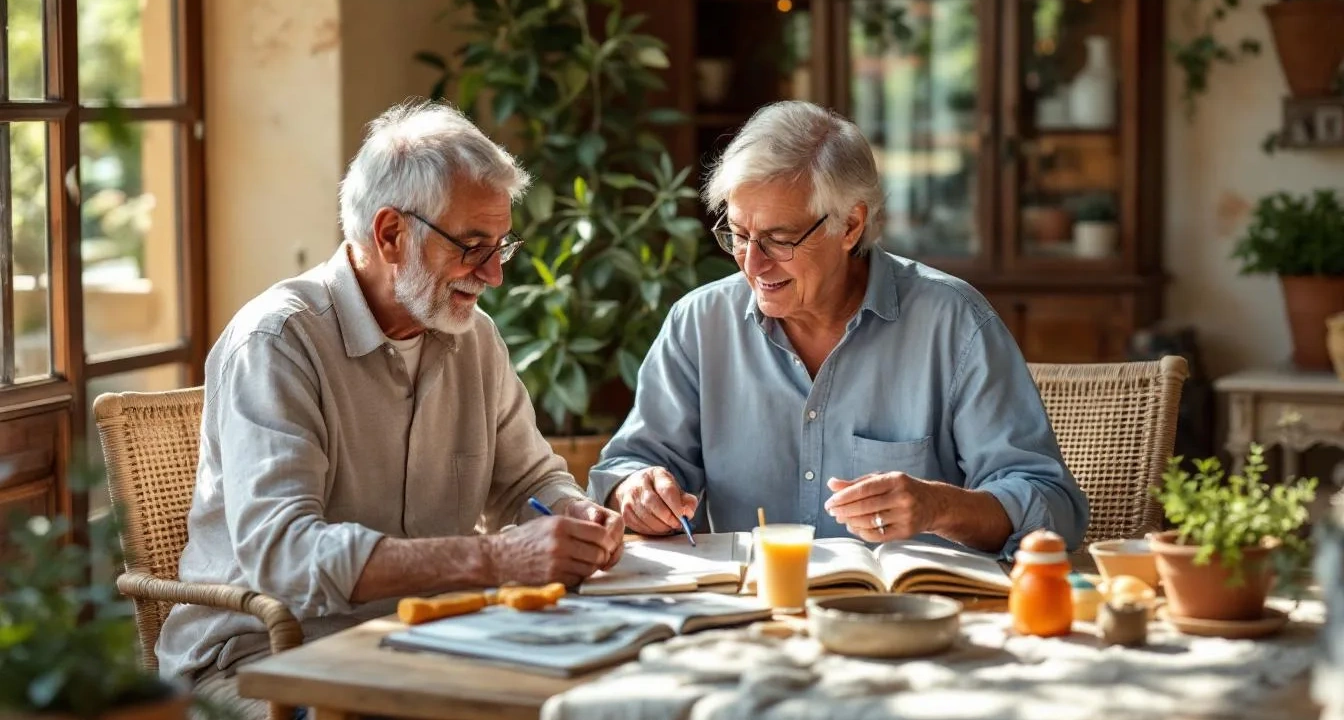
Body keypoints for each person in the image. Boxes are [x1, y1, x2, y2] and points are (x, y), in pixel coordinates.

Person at [161, 100, 624, 711]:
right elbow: (285, 555)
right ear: (389, 234)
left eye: (501, 246)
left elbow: (529, 480)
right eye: (472, 246)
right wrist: (495, 557)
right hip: (270, 661)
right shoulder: (278, 342)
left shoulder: (473, 337)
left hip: (425, 644)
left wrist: (573, 513)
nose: (493, 276)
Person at [589, 100, 1088, 558]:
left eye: (778, 239)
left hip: (910, 623)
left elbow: (1053, 508)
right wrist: (636, 490)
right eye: (738, 235)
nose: (752, 264)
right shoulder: (699, 324)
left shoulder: (954, 323)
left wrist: (939, 507)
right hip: (743, 621)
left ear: (850, 226)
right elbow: (626, 466)